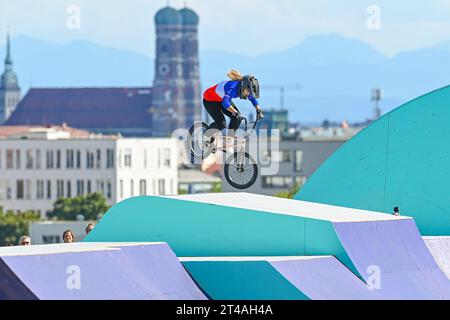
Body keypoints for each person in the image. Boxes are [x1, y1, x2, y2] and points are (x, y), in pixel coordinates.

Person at [202, 69, 264, 139]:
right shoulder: (232, 88)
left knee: (238, 117)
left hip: (221, 99)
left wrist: (258, 110)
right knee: (221, 123)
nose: (248, 94)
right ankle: (205, 136)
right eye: (248, 92)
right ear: (244, 86)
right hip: (210, 100)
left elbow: (252, 99)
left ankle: (229, 139)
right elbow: (225, 103)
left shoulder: (245, 89)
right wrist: (235, 112)